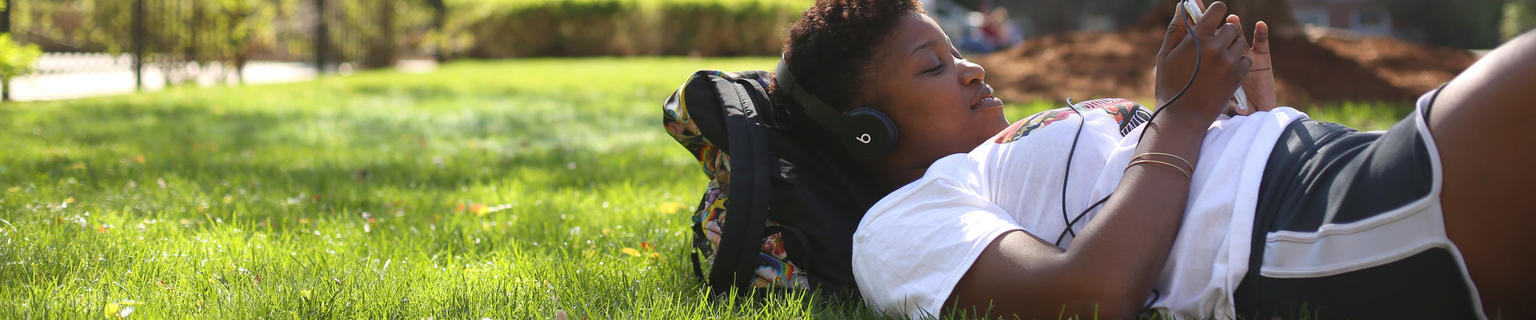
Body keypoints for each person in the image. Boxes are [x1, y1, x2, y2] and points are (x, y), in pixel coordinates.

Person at [768, 0, 1536, 318]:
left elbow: (1177, 195)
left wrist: (1247, 114)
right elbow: (1090, 296)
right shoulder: (901, 223)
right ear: (865, 131)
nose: (970, 67)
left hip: (1332, 183)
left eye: (956, 50)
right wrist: (1186, 114)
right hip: (1320, 226)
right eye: (931, 68)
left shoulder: (997, 150)